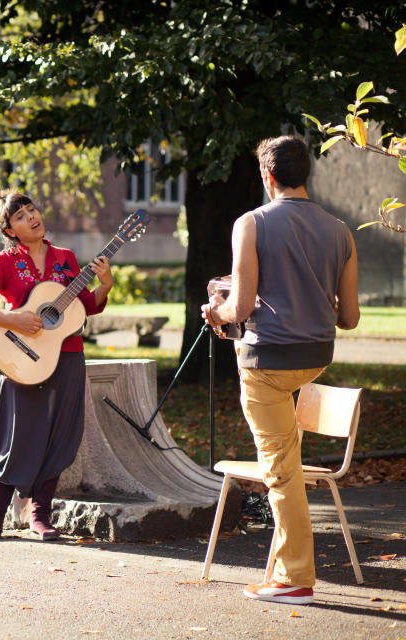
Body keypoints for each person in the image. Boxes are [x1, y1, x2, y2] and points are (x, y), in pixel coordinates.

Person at [202, 135, 359, 605]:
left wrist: (217, 312)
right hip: (314, 358)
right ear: (304, 174)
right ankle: (284, 569)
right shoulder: (341, 230)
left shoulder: (250, 223)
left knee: (281, 474)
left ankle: (294, 578)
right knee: (286, 465)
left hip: (267, 362)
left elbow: (243, 305)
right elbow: (349, 318)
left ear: (268, 176)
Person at [0, 189, 112, 541]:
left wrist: (105, 285)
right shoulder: (3, 263)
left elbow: (84, 308)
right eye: (20, 216)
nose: (31, 217)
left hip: (68, 354)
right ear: (11, 230)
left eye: (32, 210)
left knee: (59, 435)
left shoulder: (65, 258)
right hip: (23, 359)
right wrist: (14, 320)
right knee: (15, 435)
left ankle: (40, 516)